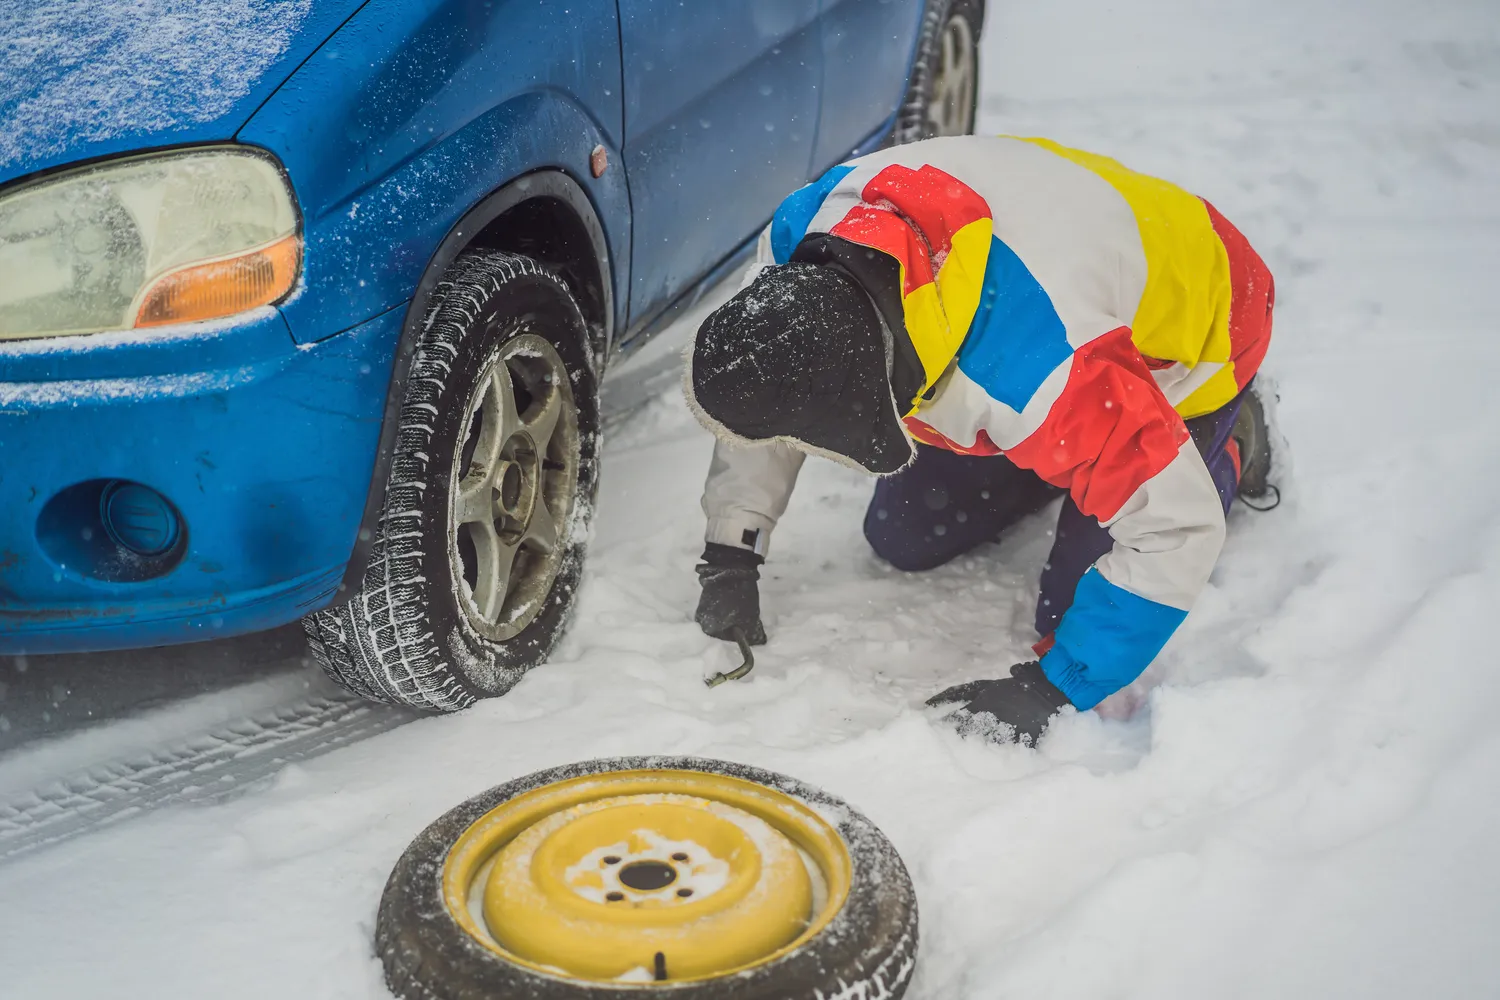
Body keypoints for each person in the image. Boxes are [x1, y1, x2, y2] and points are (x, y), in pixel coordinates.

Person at [685, 135, 1276, 745]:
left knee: (1069, 624)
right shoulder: (794, 253)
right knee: (904, 537)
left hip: (1206, 325)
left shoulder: (1039, 367)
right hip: (1045, 294)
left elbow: (1177, 530)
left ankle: (1228, 448)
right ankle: (1065, 457)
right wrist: (733, 549)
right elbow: (773, 395)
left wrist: (1052, 688)